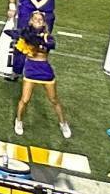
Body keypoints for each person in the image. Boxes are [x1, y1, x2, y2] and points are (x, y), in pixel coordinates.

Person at [12, 11, 69, 139]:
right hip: (31, 69)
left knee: (54, 100)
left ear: (44, 22)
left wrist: (37, 41)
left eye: (40, 19)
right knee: (25, 100)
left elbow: (50, 45)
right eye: (35, 19)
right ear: (31, 21)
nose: (38, 21)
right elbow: (19, 41)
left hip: (44, 70)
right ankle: (19, 121)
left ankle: (63, 123)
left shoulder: (47, 37)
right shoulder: (26, 34)